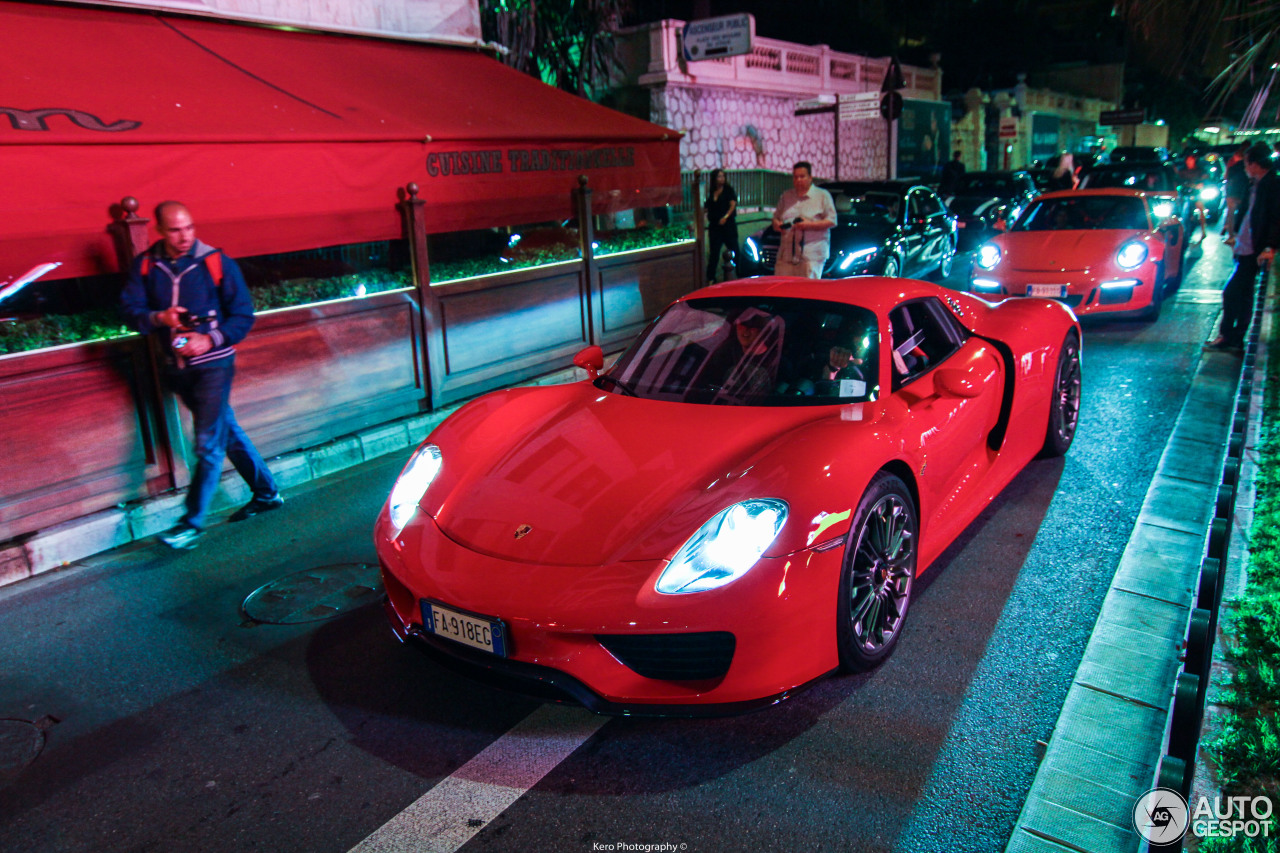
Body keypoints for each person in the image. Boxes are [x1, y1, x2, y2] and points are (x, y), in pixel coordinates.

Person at [120, 201, 284, 549]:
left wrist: (208, 338)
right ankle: (267, 493)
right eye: (176, 230)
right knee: (226, 430)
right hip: (176, 368)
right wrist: (159, 319)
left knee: (207, 443)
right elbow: (131, 311)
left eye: (189, 228)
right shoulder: (147, 266)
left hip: (215, 364)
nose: (185, 237)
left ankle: (190, 524)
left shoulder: (214, 261)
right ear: (161, 231)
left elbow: (242, 316)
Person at [1206, 143, 1280, 352]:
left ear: (1255, 164)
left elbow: (1275, 218)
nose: (1245, 167)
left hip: (1254, 248)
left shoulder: (1272, 185)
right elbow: (1248, 214)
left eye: (1247, 163)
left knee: (1232, 293)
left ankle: (1227, 336)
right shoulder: (1255, 184)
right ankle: (1235, 339)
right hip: (1246, 246)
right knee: (1244, 294)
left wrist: (1270, 247)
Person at [772, 161, 837, 278]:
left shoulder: (822, 196)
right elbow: (776, 218)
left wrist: (809, 225)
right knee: (783, 290)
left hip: (811, 255)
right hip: (787, 255)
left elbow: (832, 221)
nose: (798, 180)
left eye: (802, 176)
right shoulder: (786, 196)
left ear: (810, 177)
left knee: (807, 290)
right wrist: (777, 224)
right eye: (796, 177)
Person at [704, 169, 738, 284]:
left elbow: (732, 205)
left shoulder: (728, 190)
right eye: (719, 176)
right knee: (714, 253)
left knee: (735, 250)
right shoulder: (712, 192)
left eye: (723, 176)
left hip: (727, 226)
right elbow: (707, 207)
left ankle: (741, 274)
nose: (721, 179)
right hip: (715, 226)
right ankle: (710, 278)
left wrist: (726, 217)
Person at [1222, 142, 1250, 245]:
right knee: (1241, 214)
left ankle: (1231, 236)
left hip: (1233, 192)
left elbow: (1227, 178)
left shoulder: (1234, 166)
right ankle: (1239, 235)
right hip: (1242, 193)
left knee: (1231, 214)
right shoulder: (1247, 167)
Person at [1177, 154, 1209, 242]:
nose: (1189, 162)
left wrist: (1201, 184)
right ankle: (1184, 231)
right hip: (1185, 194)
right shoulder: (1182, 171)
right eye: (1188, 160)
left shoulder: (1199, 170)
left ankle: (1203, 230)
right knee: (1183, 212)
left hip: (1196, 194)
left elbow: (1205, 178)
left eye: (1191, 160)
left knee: (1201, 209)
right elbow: (1179, 181)